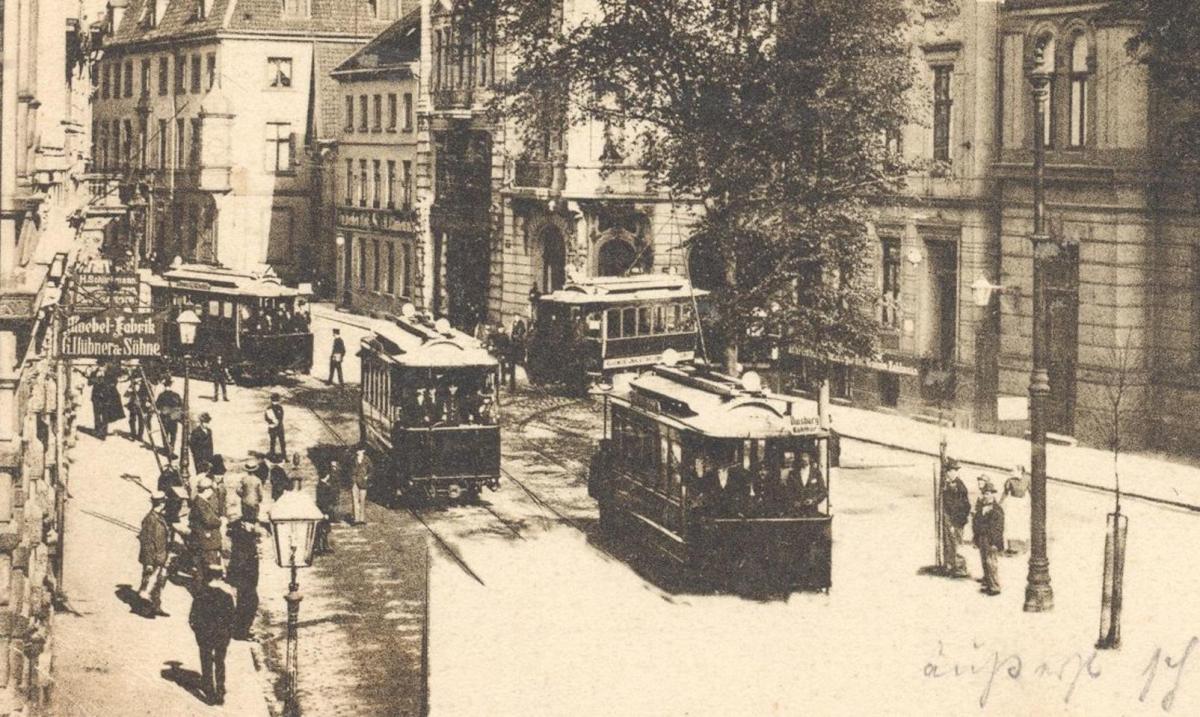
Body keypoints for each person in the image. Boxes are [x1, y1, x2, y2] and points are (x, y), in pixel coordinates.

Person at [188, 566, 235, 705]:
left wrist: (198, 632)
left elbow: (193, 617)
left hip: (205, 635)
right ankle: (220, 691)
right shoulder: (226, 595)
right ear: (220, 576)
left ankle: (209, 693)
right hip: (221, 635)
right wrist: (227, 634)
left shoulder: (200, 594)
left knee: (206, 662)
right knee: (220, 662)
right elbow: (231, 618)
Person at [226, 518, 261, 641]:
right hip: (245, 579)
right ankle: (241, 632)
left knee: (246, 603)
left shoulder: (243, 544)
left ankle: (241, 631)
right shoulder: (243, 546)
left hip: (246, 579)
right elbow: (242, 564)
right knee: (249, 603)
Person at [137, 491, 171, 616]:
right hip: (153, 558)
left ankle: (156, 607)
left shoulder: (159, 516)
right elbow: (147, 542)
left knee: (159, 583)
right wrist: (149, 562)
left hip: (161, 556)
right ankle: (145, 610)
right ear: (161, 503)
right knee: (147, 584)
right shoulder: (150, 519)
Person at [972, 477, 1005, 596]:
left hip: (991, 540)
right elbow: (976, 522)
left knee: (991, 563)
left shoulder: (997, 510)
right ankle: (988, 583)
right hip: (982, 538)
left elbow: (998, 529)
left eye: (987, 494)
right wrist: (976, 537)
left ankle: (995, 587)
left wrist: (995, 543)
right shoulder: (981, 508)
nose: (985, 496)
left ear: (992, 495)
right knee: (984, 562)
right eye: (984, 493)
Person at [940, 459, 972, 578]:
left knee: (956, 543)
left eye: (953, 471)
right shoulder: (949, 484)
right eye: (950, 471)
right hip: (950, 519)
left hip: (956, 520)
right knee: (950, 543)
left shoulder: (959, 486)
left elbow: (963, 506)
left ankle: (960, 567)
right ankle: (951, 566)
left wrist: (956, 522)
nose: (951, 473)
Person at [189, 477, 224, 576]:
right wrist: (220, 521)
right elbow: (209, 520)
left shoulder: (200, 501)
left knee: (204, 568)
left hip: (203, 540)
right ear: (207, 490)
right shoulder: (201, 503)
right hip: (207, 542)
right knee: (208, 568)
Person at [315, 460, 339, 554]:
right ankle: (321, 547)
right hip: (324, 511)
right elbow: (323, 501)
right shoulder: (324, 487)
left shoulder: (320, 485)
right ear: (327, 476)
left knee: (324, 529)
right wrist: (325, 513)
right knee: (323, 530)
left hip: (322, 510)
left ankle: (323, 546)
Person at [156, 378, 183, 459]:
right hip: (173, 417)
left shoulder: (161, 395)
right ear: (171, 385)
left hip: (164, 418)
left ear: (164, 386)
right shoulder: (176, 395)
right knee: (173, 435)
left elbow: (157, 405)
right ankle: (171, 450)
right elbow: (181, 405)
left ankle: (166, 450)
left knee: (165, 434)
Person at [350, 445, 372, 525]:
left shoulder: (367, 459)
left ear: (363, 451)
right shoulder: (353, 459)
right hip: (355, 482)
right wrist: (352, 478)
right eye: (357, 451)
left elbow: (371, 470)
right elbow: (350, 469)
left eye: (359, 450)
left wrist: (367, 477)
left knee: (362, 500)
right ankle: (356, 519)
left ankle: (362, 519)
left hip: (363, 482)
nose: (357, 452)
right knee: (355, 500)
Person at [236, 459, 264, 523]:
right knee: (254, 518)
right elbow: (260, 493)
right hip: (254, 501)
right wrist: (259, 499)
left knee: (246, 519)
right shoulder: (257, 480)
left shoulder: (243, 479)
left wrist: (242, 495)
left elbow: (237, 490)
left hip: (245, 501)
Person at [125, 375, 150, 442]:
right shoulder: (133, 385)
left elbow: (150, 395)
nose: (137, 380)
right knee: (132, 420)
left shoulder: (146, 385)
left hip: (142, 405)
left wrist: (148, 402)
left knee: (141, 421)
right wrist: (130, 390)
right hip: (133, 405)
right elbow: (126, 395)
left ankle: (140, 436)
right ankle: (133, 434)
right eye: (136, 379)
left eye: (139, 379)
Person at [265, 393, 286, 461]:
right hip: (273, 428)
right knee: (272, 442)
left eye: (276, 399)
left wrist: (278, 422)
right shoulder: (268, 409)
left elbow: (281, 416)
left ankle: (284, 455)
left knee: (282, 442)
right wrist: (272, 422)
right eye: (274, 400)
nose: (275, 401)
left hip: (279, 428)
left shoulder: (280, 407)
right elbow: (266, 418)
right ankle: (272, 455)